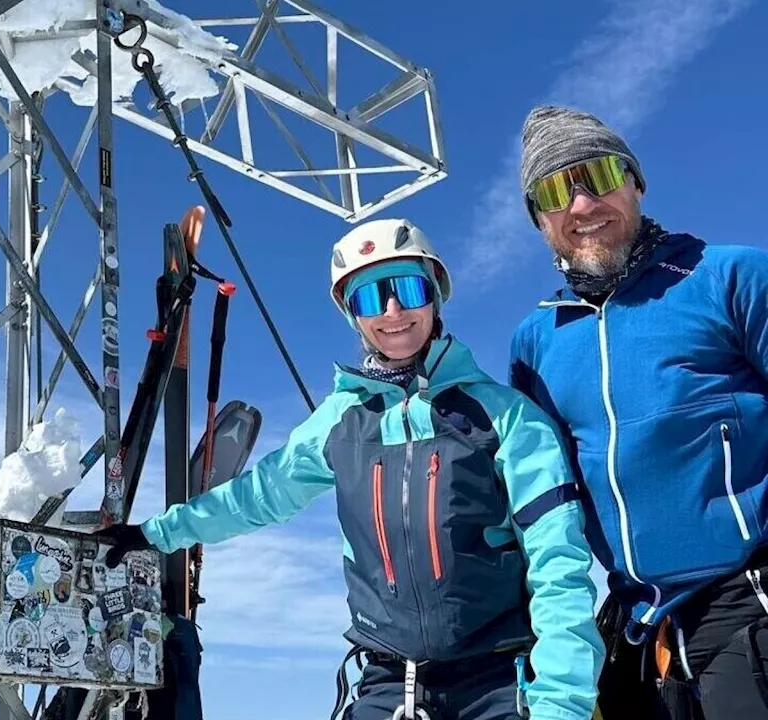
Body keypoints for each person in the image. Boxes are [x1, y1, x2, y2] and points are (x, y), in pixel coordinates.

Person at [98, 218, 605, 720]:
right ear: (352, 316)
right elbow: (259, 495)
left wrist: (561, 703)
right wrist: (156, 534)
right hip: (388, 684)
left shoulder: (505, 417)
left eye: (407, 288)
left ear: (435, 294)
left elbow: (558, 564)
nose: (392, 310)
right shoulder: (340, 422)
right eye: (368, 298)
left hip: (495, 684)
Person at [507, 105, 768, 719]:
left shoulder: (728, 276)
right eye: (553, 191)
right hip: (638, 633)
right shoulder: (537, 341)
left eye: (595, 176)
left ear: (634, 182)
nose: (580, 206)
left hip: (748, 604)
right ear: (539, 220)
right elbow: (540, 494)